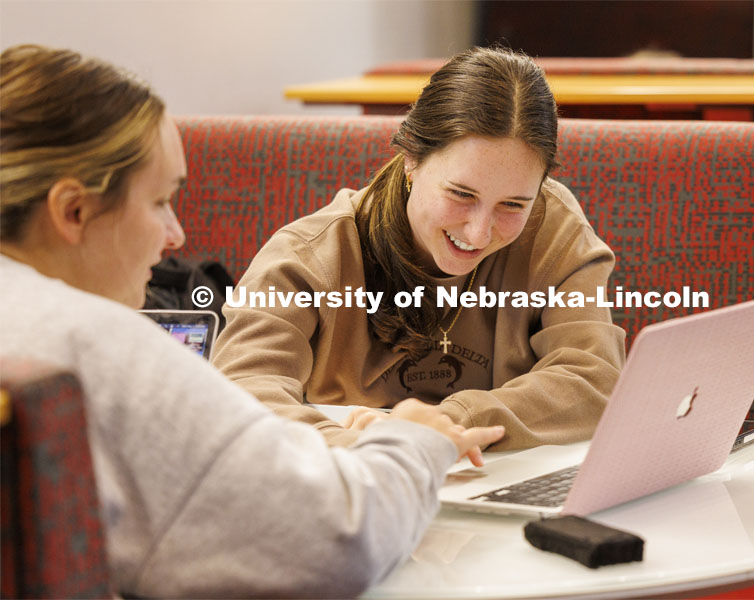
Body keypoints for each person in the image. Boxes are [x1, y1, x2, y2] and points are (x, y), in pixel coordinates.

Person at [0, 44, 504, 598]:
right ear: (73, 211)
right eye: (161, 201)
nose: (176, 237)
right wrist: (415, 442)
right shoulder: (93, 348)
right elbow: (334, 539)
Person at [212, 46, 626, 449]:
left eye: (513, 204)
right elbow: (240, 393)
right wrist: (369, 450)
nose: (480, 233)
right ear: (411, 158)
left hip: (493, 484)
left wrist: (446, 425)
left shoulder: (552, 229)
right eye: (461, 194)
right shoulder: (309, 256)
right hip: (350, 489)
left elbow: (593, 380)